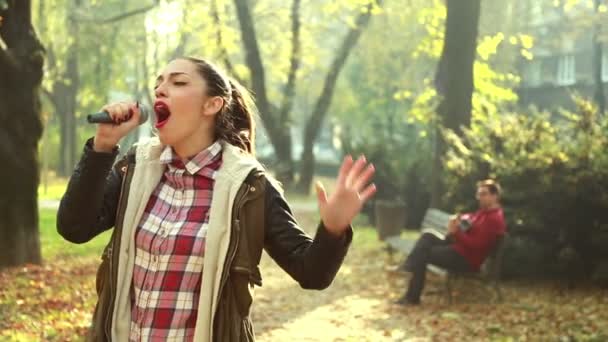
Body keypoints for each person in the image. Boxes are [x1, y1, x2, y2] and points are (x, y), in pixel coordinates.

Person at [57, 56, 376, 342]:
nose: (160, 90)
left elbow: (312, 273)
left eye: (178, 82)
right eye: (158, 84)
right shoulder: (137, 168)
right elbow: (74, 228)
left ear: (212, 105)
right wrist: (103, 147)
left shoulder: (249, 188)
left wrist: (333, 229)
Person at [395, 179, 506, 305]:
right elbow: (470, 218)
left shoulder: (494, 219)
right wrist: (460, 219)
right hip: (459, 250)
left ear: (495, 196)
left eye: (483, 194)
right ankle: (410, 267)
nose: (479, 197)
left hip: (466, 259)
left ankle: (412, 296)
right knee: (428, 235)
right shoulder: (484, 213)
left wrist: (456, 232)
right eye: (478, 194)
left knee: (422, 254)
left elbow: (476, 245)